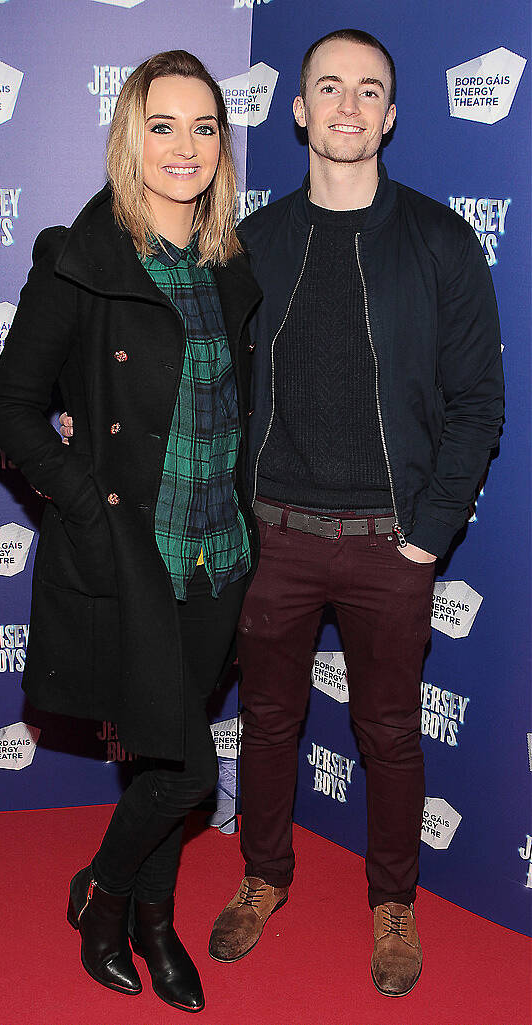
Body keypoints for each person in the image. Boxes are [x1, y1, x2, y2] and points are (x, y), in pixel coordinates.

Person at [205, 29, 503, 998]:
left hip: (390, 543)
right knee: (268, 720)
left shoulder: (440, 242)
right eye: (327, 87)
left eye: (367, 91)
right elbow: (205, 383)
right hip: (275, 534)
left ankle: (393, 901)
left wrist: (427, 530)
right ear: (296, 109)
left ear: (390, 114)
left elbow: (476, 402)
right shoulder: (257, 243)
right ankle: (264, 875)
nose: (345, 106)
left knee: (389, 731)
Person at [0, 50, 260, 1014]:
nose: (184, 146)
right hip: (135, 556)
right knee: (187, 770)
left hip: (218, 555)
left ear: (222, 146)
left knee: (156, 758)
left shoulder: (228, 269)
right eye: (162, 124)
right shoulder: (80, 260)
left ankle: (148, 918)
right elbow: (12, 408)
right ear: (129, 138)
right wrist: (84, 500)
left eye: (203, 126)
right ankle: (110, 904)